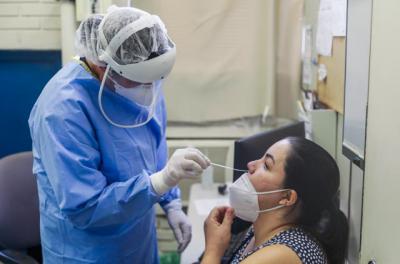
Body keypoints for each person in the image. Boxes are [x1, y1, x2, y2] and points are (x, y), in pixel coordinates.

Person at [28, 6, 210, 263]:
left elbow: (153, 147)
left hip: (137, 239)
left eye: (154, 80)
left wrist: (169, 201)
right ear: (105, 68)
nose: (149, 89)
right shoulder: (62, 110)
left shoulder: (143, 75)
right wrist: (160, 182)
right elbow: (85, 207)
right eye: (140, 81)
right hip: (87, 250)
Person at [201, 137, 348, 264]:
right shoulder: (260, 230)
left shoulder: (283, 255)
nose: (251, 165)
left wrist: (213, 249)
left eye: (266, 165)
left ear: (287, 197)